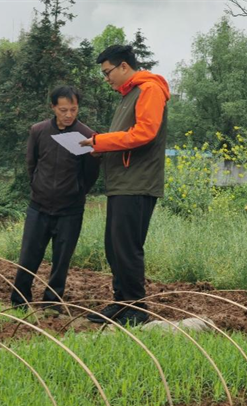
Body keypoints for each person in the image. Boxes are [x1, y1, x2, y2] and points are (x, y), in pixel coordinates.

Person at [80, 45, 170, 326]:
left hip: (137, 182)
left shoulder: (149, 90)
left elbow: (145, 132)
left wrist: (100, 141)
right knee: (114, 247)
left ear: (123, 67)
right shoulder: (127, 96)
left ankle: (136, 308)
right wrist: (100, 147)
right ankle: (121, 303)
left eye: (108, 72)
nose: (106, 78)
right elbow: (125, 136)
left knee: (127, 247)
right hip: (122, 182)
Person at [10, 86, 100, 313]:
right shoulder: (38, 131)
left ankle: (52, 302)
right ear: (53, 108)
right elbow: (32, 164)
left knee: (61, 259)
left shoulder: (87, 136)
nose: (69, 115)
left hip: (70, 209)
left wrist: (77, 191)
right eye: (63, 110)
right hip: (38, 206)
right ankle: (19, 299)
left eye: (73, 109)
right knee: (29, 254)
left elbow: (91, 173)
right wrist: (38, 186)